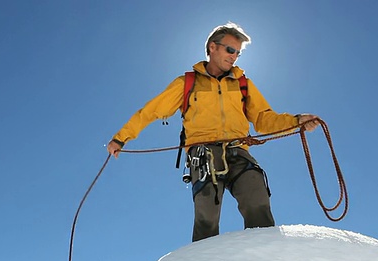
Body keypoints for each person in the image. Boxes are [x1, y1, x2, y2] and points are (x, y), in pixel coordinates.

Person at [106, 22, 321, 241]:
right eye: (230, 50)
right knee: (206, 216)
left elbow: (264, 118)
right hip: (203, 153)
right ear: (212, 47)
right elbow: (150, 112)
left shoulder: (242, 84)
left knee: (257, 199)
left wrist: (297, 121)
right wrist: (120, 138)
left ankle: (264, 260)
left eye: (237, 53)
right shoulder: (187, 83)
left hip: (238, 150)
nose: (234, 56)